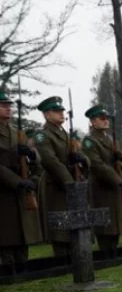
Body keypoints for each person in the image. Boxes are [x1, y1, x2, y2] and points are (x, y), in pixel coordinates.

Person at [34, 96, 85, 260]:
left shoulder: (65, 134)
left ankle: (75, 261)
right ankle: (62, 263)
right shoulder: (43, 135)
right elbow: (51, 161)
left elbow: (80, 155)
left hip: (69, 183)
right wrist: (70, 182)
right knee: (60, 231)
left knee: (73, 228)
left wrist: (82, 160)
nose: (62, 114)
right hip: (56, 185)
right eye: (57, 111)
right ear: (47, 114)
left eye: (62, 111)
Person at [0, 91, 41, 270]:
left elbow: (34, 157)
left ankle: (23, 267)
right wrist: (17, 181)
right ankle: (8, 271)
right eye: (4, 106)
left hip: (19, 189)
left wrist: (32, 154)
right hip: (3, 189)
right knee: (6, 235)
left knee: (21, 233)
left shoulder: (17, 132)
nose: (8, 108)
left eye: (9, 105)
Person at [82, 104, 122, 258]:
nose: (106, 121)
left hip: (114, 186)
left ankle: (113, 254)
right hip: (101, 188)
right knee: (105, 226)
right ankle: (105, 255)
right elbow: (97, 164)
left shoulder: (110, 139)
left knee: (114, 225)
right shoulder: (90, 141)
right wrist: (118, 179)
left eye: (106, 118)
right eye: (102, 119)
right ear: (93, 122)